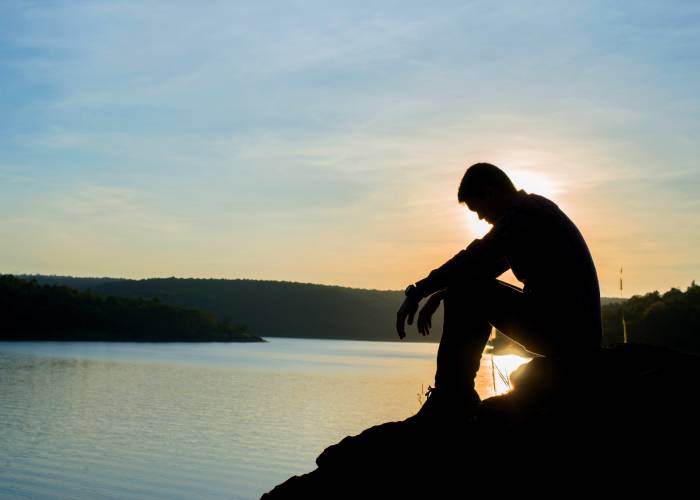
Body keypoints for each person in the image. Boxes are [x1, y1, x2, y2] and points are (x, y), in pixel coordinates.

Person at [396, 162, 602, 423]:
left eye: (477, 208)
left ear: (490, 192)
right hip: (571, 331)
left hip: (566, 333)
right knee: (465, 287)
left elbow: (475, 258)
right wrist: (442, 292)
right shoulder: (531, 214)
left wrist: (419, 292)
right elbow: (481, 267)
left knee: (467, 290)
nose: (480, 218)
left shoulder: (524, 216)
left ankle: (452, 396)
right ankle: (453, 393)